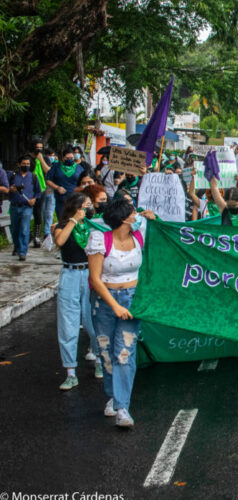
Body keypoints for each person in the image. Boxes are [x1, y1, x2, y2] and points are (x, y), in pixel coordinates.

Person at [86, 198, 156, 428]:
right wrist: (114, 305)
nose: (137, 213)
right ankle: (114, 397)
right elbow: (95, 279)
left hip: (132, 299)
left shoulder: (140, 234)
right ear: (125, 218)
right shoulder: (99, 239)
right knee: (106, 352)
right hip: (105, 302)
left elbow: (159, 229)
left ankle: (122, 407)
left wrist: (155, 219)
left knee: (124, 352)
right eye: (133, 210)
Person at [53, 193, 102, 390]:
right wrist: (73, 220)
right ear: (76, 207)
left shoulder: (93, 225)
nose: (90, 208)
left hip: (90, 275)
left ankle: (99, 359)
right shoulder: (62, 225)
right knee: (68, 324)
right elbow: (60, 242)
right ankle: (70, 372)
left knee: (94, 322)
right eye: (86, 205)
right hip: (70, 275)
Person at [8, 155, 41, 260]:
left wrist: (34, 199)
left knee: (24, 229)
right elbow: (5, 188)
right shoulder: (12, 176)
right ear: (19, 165)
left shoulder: (33, 177)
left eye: (28, 164)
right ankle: (17, 247)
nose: (26, 166)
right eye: (24, 164)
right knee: (15, 230)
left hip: (27, 207)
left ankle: (23, 251)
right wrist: (10, 189)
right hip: (14, 206)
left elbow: (38, 192)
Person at [46, 147, 85, 218]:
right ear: (63, 158)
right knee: (62, 220)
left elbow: (84, 181)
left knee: (74, 221)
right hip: (61, 199)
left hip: (75, 199)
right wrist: (57, 187)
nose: (70, 160)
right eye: (67, 158)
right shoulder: (56, 167)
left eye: (72, 158)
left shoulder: (79, 168)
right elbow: (48, 180)